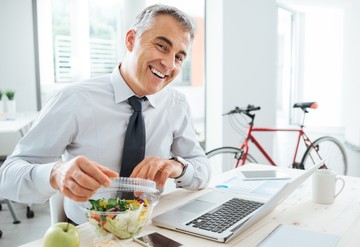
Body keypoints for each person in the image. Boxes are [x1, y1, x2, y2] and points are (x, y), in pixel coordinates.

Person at [0, 4, 211, 225]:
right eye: (161, 46)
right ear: (130, 40)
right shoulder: (74, 99)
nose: (169, 64)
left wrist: (178, 167)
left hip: (148, 228)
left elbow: (203, 168)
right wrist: (55, 173)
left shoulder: (176, 104)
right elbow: (8, 177)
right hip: (88, 233)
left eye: (179, 57)